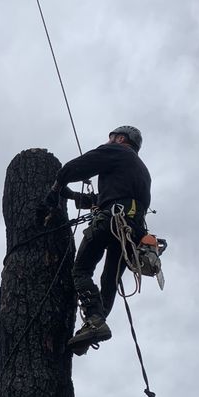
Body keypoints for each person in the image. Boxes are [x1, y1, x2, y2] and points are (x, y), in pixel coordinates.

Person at [45, 125, 151, 354]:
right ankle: (95, 324)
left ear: (120, 138)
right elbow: (107, 196)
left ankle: (94, 319)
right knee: (109, 282)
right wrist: (73, 196)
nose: (109, 140)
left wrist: (57, 186)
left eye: (112, 137)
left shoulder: (117, 151)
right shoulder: (139, 170)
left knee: (80, 270)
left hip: (112, 219)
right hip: (132, 231)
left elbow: (78, 167)